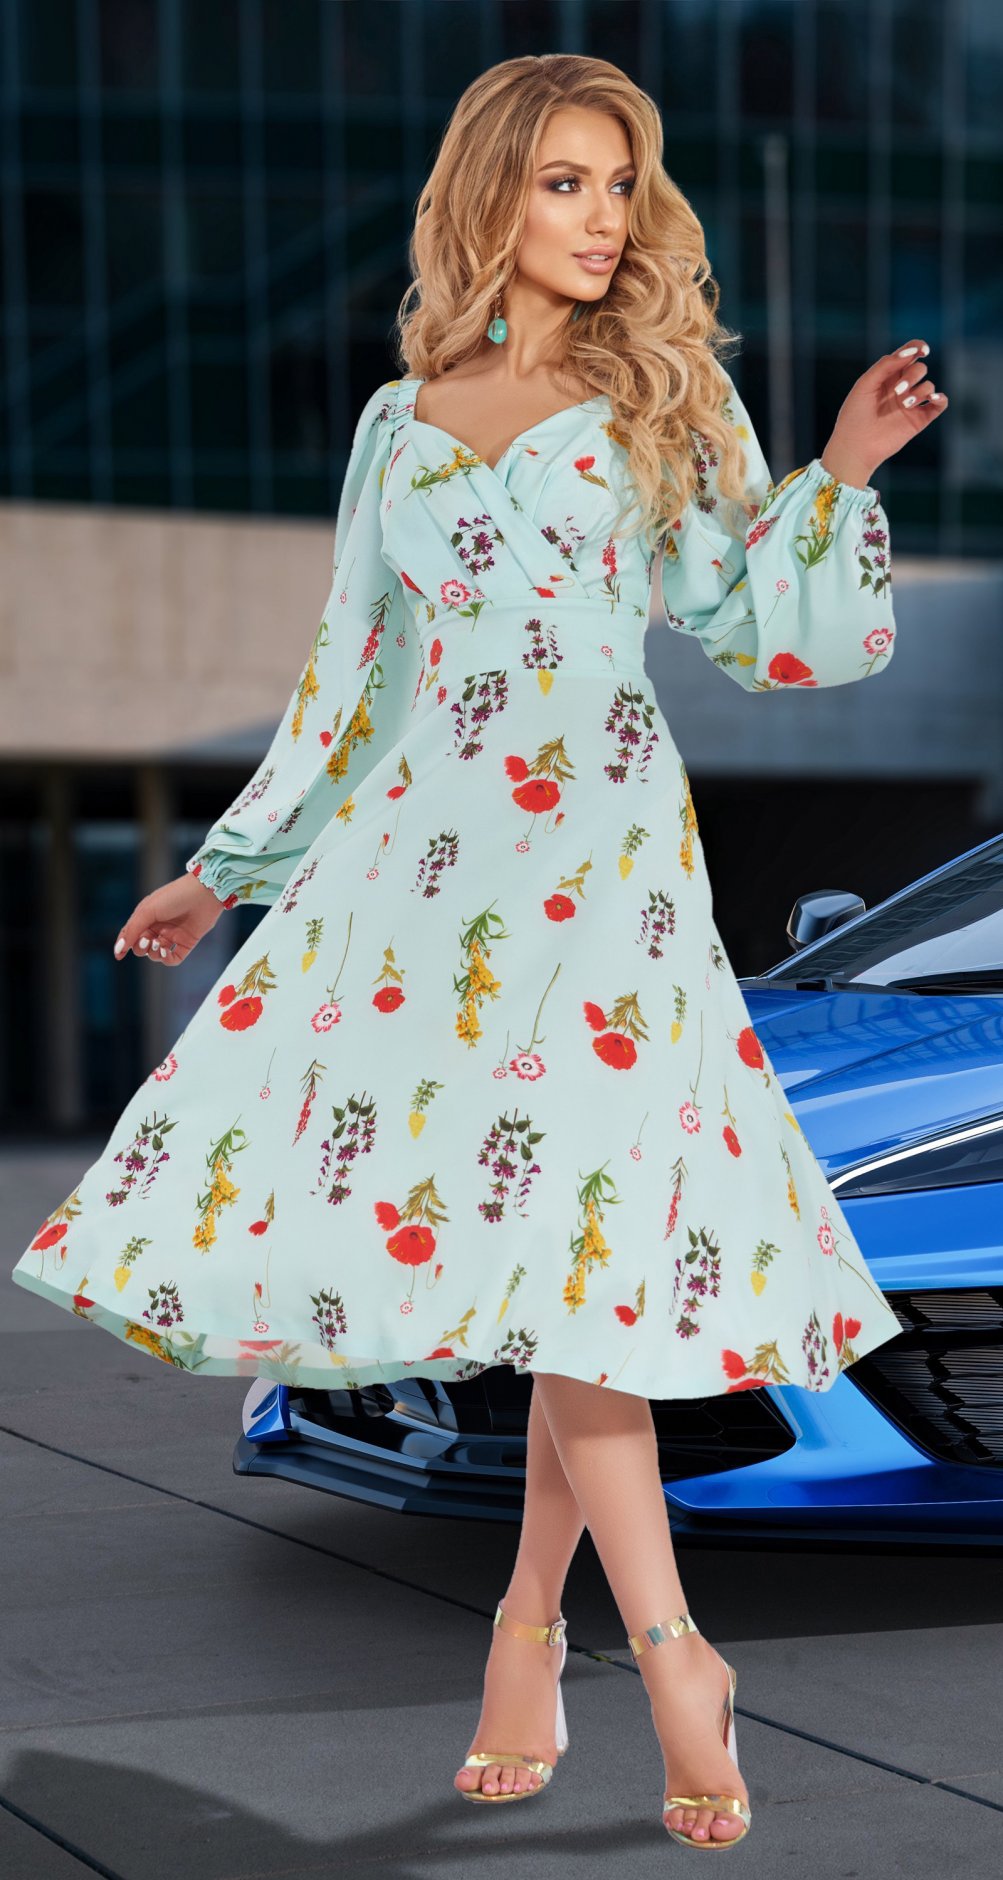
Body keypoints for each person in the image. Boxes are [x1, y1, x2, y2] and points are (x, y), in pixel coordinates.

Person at [13, 54, 948, 1851]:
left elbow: (765, 636)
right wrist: (226, 871)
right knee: (542, 1266)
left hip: (607, 863)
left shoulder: (670, 394)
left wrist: (836, 471)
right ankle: (536, 1636)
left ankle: (664, 1653)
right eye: (565, 183)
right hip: (428, 875)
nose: (602, 219)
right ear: (490, 197)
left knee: (578, 1261)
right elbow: (351, 679)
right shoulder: (399, 422)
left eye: (622, 185)